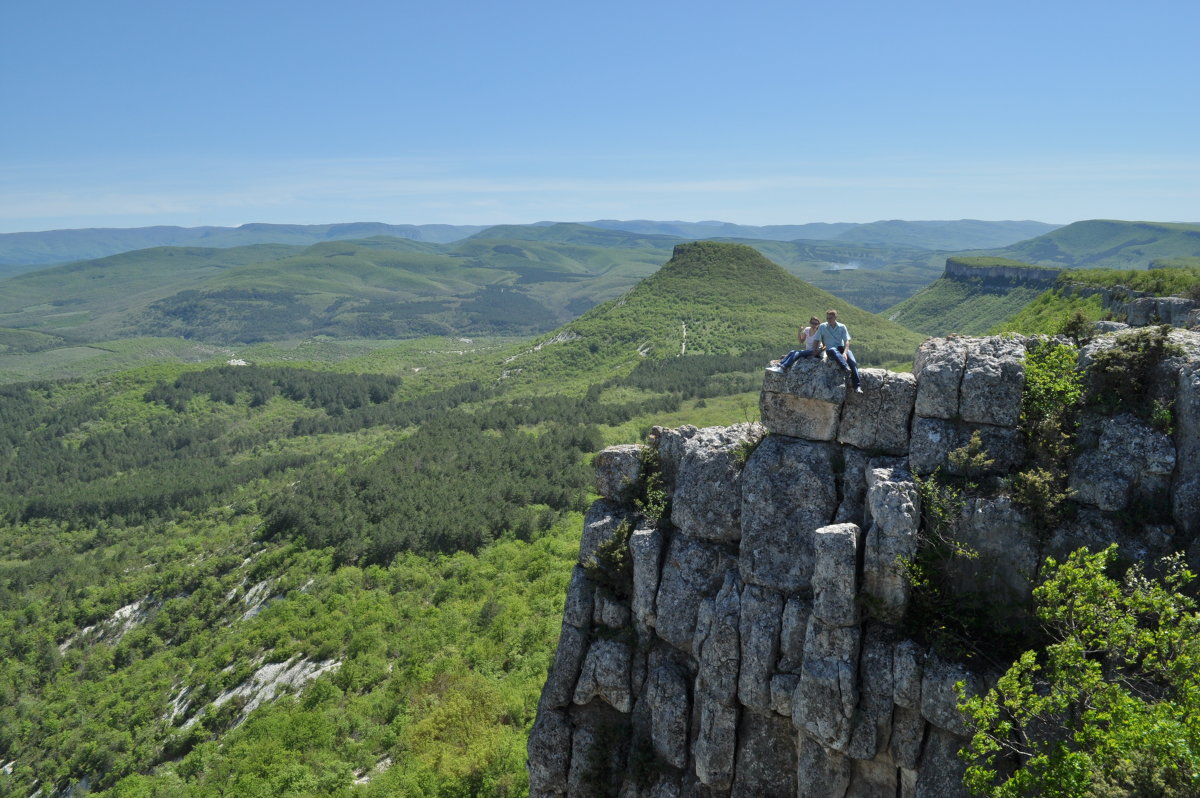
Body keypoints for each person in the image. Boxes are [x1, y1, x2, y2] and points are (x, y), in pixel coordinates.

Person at [815, 309, 862, 393]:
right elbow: (817, 339)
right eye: (827, 318)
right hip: (830, 350)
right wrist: (814, 352)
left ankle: (857, 386)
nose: (829, 320)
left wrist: (845, 352)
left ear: (835, 317)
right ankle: (845, 367)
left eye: (830, 318)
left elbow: (846, 341)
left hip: (841, 348)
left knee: (853, 362)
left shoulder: (842, 326)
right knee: (833, 349)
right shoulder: (822, 326)